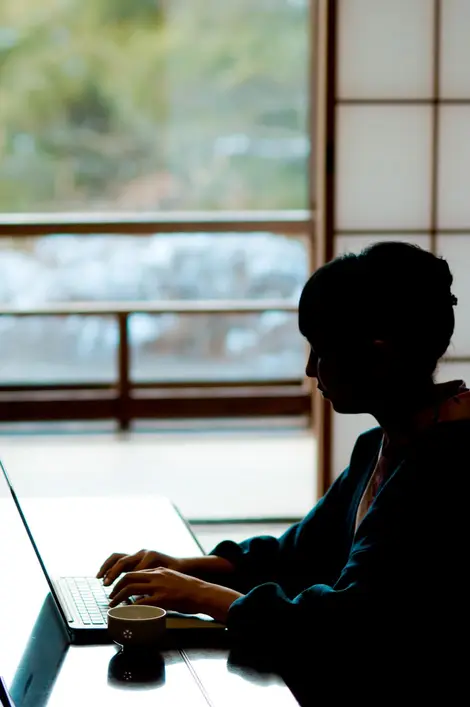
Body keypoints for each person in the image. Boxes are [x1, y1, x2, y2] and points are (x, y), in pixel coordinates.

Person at [97, 242, 469, 700]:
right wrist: (185, 568)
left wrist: (199, 596)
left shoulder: (443, 467)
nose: (310, 369)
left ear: (378, 357)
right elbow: (299, 553)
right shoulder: (379, 446)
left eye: (321, 350)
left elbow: (343, 626)